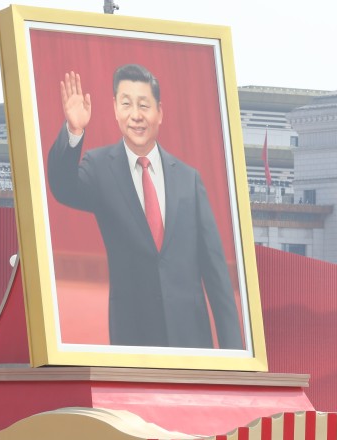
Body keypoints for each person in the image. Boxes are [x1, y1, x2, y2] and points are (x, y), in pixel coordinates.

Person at [46, 65, 244, 350]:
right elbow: (63, 187)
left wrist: (235, 356)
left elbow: (216, 274)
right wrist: (74, 131)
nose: (136, 115)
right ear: (115, 109)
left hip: (191, 342)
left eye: (144, 105)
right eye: (126, 104)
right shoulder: (100, 168)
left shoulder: (189, 180)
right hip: (133, 340)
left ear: (159, 112)